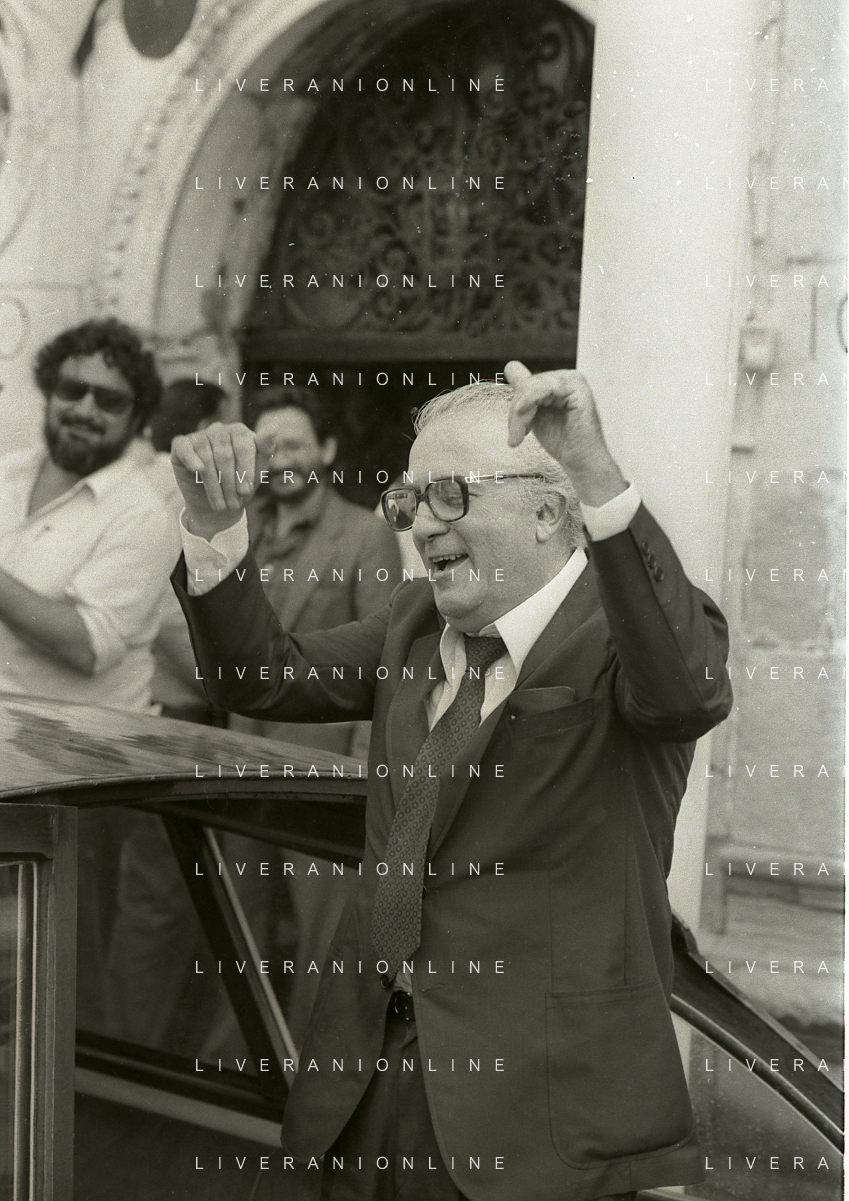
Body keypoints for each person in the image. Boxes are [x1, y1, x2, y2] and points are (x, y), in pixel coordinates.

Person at [170, 362, 733, 1201]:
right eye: (410, 500)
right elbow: (264, 678)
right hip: (365, 1085)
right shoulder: (411, 621)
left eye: (449, 495)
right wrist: (215, 525)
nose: (422, 524)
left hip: (539, 1120)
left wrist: (596, 473)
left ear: (548, 512)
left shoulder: (626, 636)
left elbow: (687, 691)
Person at [0, 316, 176, 1032]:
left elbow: (88, 643)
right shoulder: (7, 472)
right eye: (73, 389)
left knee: (58, 995)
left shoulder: (142, 514)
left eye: (110, 400)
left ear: (136, 419)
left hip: (79, 788)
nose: (85, 408)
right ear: (48, 389)